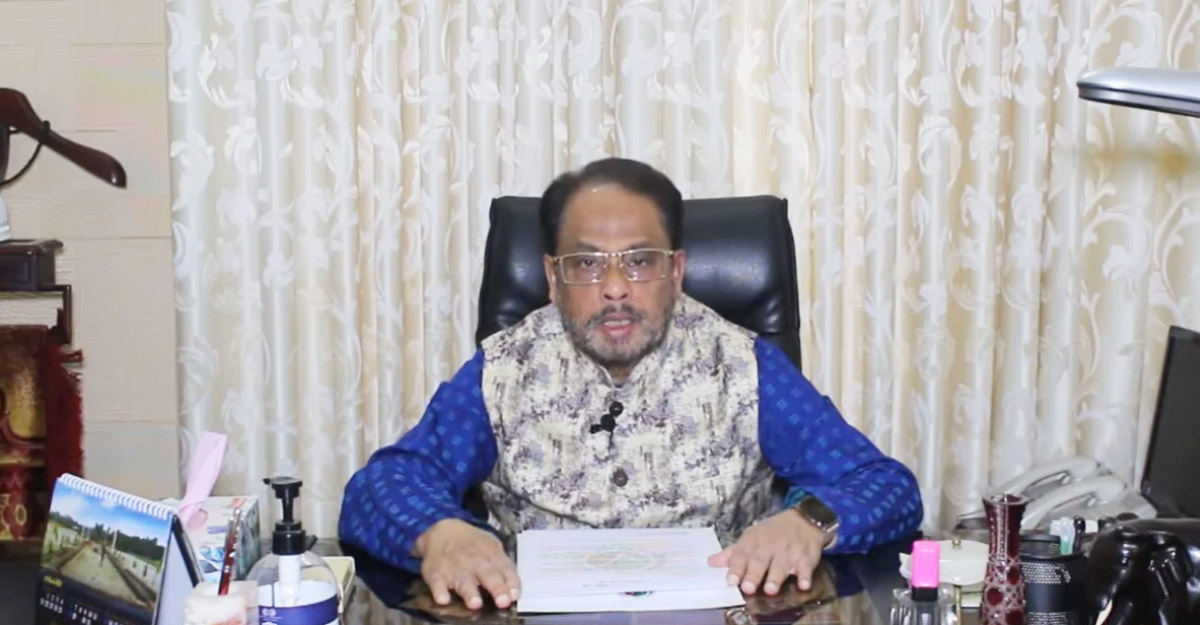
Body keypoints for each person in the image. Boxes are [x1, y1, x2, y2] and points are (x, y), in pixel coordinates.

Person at [339, 157, 923, 611]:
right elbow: (382, 486)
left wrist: (807, 523)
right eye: (587, 264)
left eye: (640, 260)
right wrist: (439, 532)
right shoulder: (504, 368)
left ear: (676, 271)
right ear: (552, 277)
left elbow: (883, 485)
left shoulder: (745, 365)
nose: (615, 287)